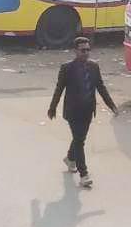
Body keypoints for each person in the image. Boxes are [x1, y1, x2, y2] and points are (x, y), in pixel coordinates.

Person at [46, 36, 117, 189]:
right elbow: (59, 89)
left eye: (88, 50)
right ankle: (84, 174)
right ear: (75, 51)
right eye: (83, 50)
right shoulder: (67, 68)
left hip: (88, 111)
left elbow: (101, 88)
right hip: (73, 111)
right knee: (79, 141)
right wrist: (53, 107)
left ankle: (70, 158)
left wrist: (112, 106)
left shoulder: (94, 67)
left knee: (80, 139)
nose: (86, 53)